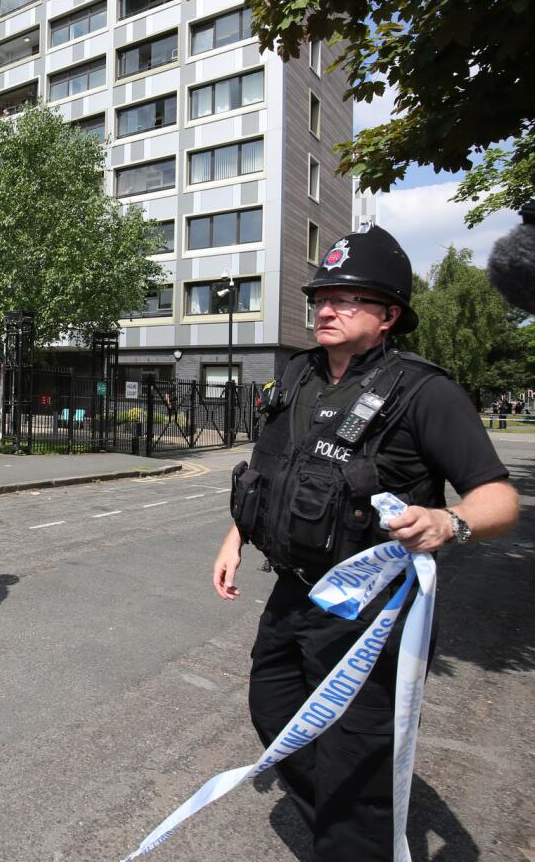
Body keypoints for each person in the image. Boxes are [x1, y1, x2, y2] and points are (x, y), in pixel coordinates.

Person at [212, 227, 519, 861]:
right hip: (295, 595)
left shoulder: (424, 392)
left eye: (348, 299)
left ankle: (355, 838)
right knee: (276, 716)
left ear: (388, 317)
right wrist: (234, 538)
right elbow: (268, 473)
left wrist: (449, 522)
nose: (326, 309)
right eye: (322, 297)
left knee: (355, 757)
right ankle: (351, 831)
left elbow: (500, 501)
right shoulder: (296, 375)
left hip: (373, 611)